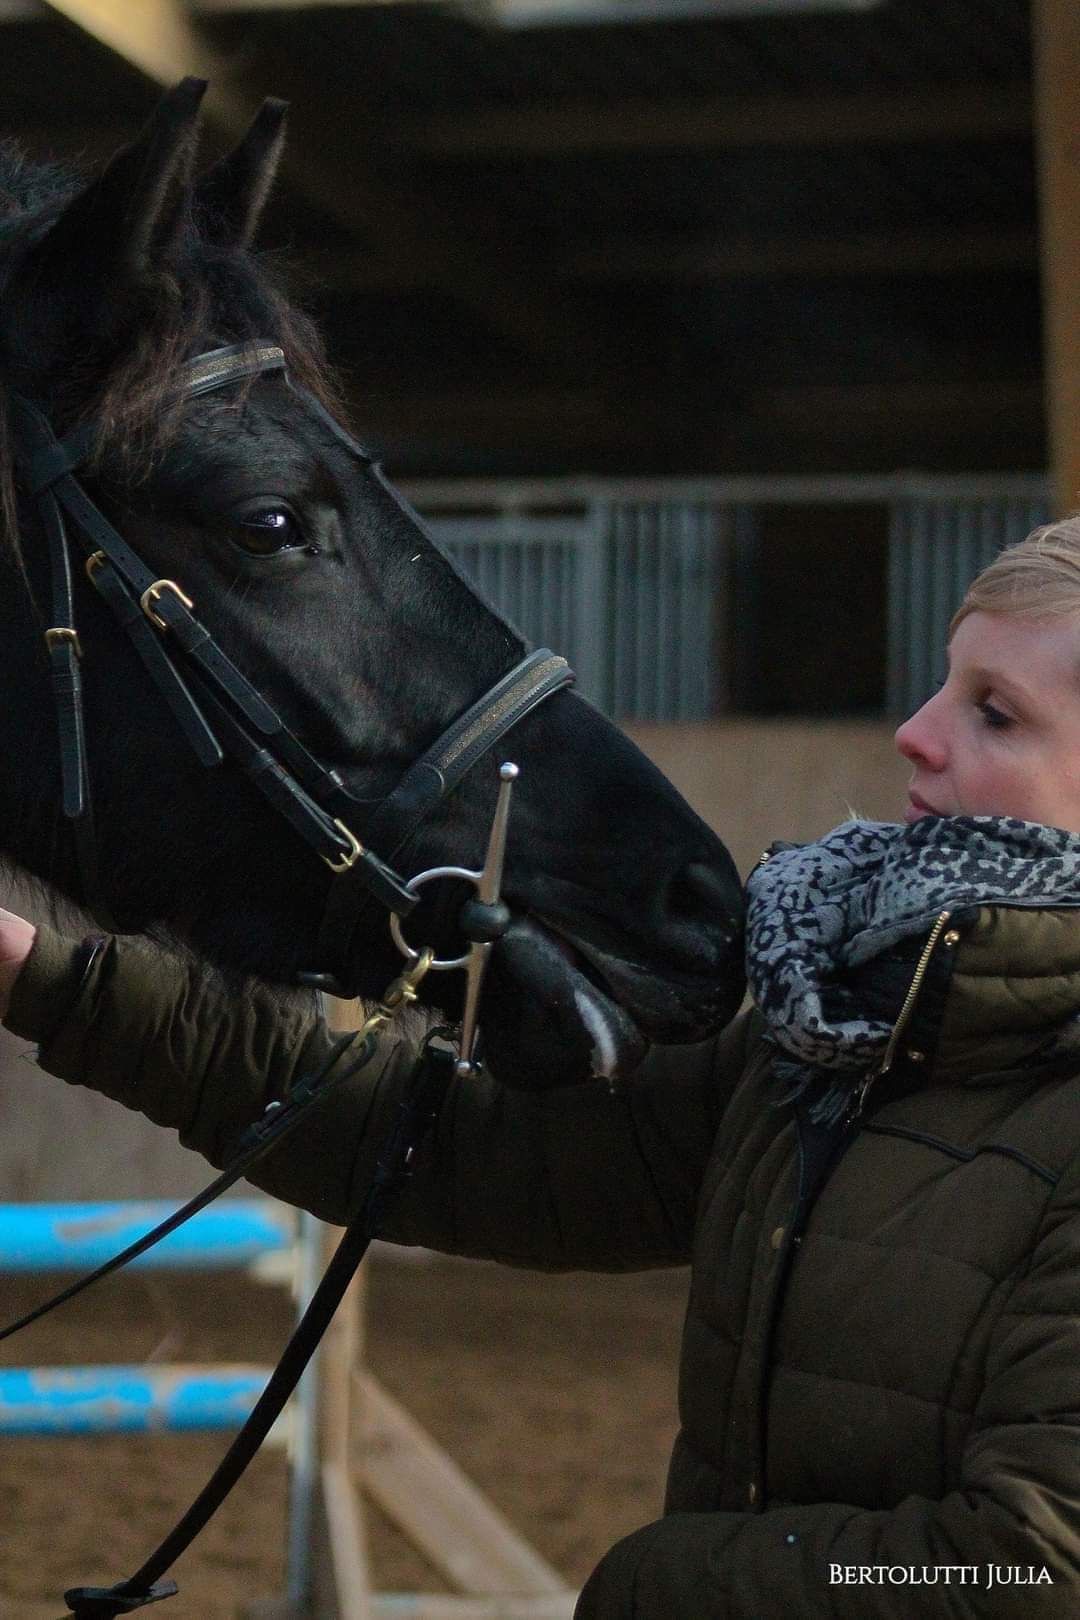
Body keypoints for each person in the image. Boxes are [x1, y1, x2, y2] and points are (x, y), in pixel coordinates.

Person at [5, 518, 1080, 1617]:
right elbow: (454, 1150)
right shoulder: (835, 1036)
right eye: (944, 686)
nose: (913, 733)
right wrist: (46, 977)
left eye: (994, 713)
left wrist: (647, 1591)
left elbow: (1027, 1570)